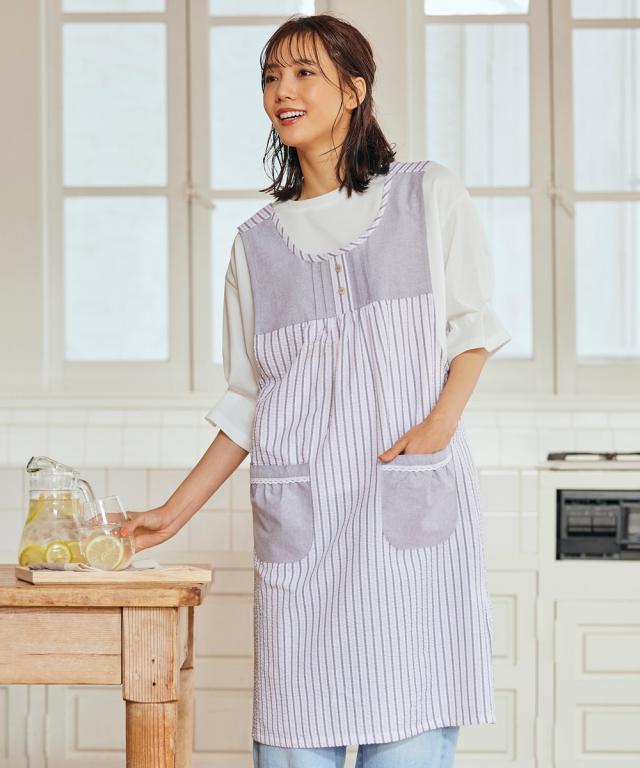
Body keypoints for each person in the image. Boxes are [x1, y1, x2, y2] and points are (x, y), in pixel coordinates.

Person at [122, 13, 512, 768]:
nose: (283, 91)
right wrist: (172, 514)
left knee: (411, 725)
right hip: (305, 524)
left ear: (354, 89)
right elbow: (248, 400)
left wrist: (438, 426)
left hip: (407, 509)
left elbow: (472, 328)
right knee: (292, 740)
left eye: (304, 73)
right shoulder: (256, 244)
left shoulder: (426, 195)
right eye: (271, 76)